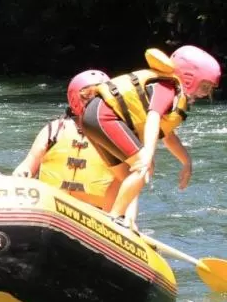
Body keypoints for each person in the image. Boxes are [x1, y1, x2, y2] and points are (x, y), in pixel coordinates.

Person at [80, 45, 220, 225]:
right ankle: (114, 219)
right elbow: (153, 116)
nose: (206, 93)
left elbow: (168, 137)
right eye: (205, 86)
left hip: (93, 117)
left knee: (124, 175)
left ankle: (111, 216)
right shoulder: (167, 87)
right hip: (104, 117)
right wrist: (147, 154)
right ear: (189, 78)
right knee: (144, 166)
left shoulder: (171, 91)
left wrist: (186, 162)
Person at [13, 69, 121, 212]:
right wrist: (21, 174)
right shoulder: (54, 129)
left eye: (99, 97)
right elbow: (28, 164)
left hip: (98, 214)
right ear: (74, 98)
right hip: (51, 208)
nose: (94, 102)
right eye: (87, 96)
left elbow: (129, 180)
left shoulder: (117, 133)